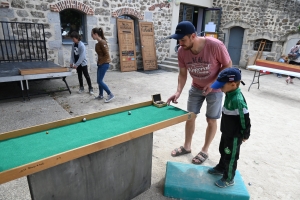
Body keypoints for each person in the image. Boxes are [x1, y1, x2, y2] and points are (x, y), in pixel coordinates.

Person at [167, 21, 232, 165]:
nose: (180, 43)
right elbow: (183, 73)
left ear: (193, 36)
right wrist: (178, 91)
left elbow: (228, 66)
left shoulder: (215, 45)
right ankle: (187, 146)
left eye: (183, 40)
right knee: (190, 116)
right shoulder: (181, 51)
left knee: (211, 119)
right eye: (178, 40)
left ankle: (205, 150)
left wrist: (214, 83)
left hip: (215, 89)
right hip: (196, 87)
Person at [208, 68, 251, 188]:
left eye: (222, 85)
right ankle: (221, 168)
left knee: (231, 157)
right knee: (223, 150)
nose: (220, 88)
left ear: (233, 84)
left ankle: (229, 178)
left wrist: (245, 134)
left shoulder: (238, 100)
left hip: (235, 135)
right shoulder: (229, 93)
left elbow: (245, 119)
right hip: (227, 131)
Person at [91, 27, 115, 103]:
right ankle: (101, 95)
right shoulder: (98, 43)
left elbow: (106, 55)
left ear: (96, 34)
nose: (91, 36)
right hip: (100, 64)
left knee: (99, 81)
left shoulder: (102, 42)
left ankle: (110, 94)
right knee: (99, 80)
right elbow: (100, 55)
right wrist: (99, 62)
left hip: (104, 64)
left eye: (92, 34)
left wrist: (101, 62)